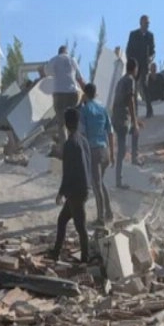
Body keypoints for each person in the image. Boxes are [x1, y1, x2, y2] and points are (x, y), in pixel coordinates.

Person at [50, 107, 91, 263]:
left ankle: (85, 259)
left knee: (81, 227)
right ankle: (55, 252)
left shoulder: (69, 144)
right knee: (62, 220)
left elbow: (67, 172)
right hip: (83, 187)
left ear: (66, 124)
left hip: (75, 191)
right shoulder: (84, 140)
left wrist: (61, 193)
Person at [80, 83, 115, 225]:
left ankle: (101, 218)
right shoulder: (103, 109)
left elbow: (82, 133)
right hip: (104, 150)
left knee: (96, 185)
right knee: (101, 182)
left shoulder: (84, 110)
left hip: (92, 151)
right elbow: (110, 132)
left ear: (85, 94)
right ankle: (109, 212)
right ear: (95, 93)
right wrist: (112, 153)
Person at [42, 46, 85, 151]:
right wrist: (88, 94)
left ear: (59, 52)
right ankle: (76, 140)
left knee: (61, 124)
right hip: (73, 95)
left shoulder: (54, 60)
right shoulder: (72, 60)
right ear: (67, 52)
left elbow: (45, 73)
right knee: (74, 119)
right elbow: (80, 79)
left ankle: (65, 148)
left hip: (59, 95)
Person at [111, 58, 143, 189]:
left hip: (116, 116)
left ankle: (134, 158)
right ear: (135, 68)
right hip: (123, 118)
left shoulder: (121, 81)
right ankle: (119, 180)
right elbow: (130, 100)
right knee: (122, 149)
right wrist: (134, 121)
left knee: (135, 133)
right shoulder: (130, 80)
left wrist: (135, 121)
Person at [126, 15, 156, 118]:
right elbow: (129, 50)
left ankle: (149, 110)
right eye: (145, 23)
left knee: (145, 85)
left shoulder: (150, 36)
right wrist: (131, 63)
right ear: (141, 23)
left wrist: (150, 59)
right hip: (134, 64)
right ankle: (134, 111)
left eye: (148, 23)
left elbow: (153, 51)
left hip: (144, 65)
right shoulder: (133, 34)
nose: (147, 25)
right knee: (133, 87)